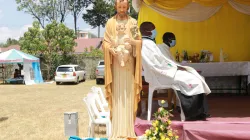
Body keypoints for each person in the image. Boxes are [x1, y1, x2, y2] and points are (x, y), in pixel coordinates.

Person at [140, 22, 211, 121]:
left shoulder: (149, 43)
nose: (155, 31)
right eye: (153, 29)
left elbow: (161, 61)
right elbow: (156, 65)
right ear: (147, 31)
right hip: (161, 75)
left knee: (193, 75)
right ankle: (193, 113)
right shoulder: (147, 44)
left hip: (164, 72)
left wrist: (176, 67)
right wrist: (175, 68)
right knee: (193, 79)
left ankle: (197, 112)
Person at [102, 0, 142, 139]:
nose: (122, 9)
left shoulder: (133, 23)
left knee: (129, 95)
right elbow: (105, 43)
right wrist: (111, 50)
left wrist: (132, 42)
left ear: (128, 7)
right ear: (115, 6)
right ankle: (117, 131)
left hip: (129, 65)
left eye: (124, 7)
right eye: (119, 6)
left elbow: (139, 42)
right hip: (116, 67)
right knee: (118, 96)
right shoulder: (110, 23)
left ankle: (128, 131)